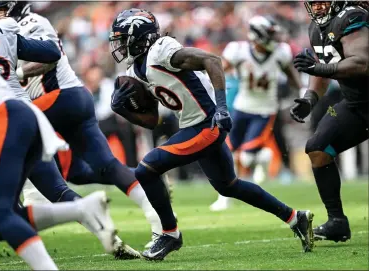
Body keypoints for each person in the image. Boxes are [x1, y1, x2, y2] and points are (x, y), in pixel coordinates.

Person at [109, 8, 314, 261]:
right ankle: (296, 218)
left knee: (146, 169)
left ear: (138, 36)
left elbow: (212, 61)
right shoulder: (135, 71)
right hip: (193, 126)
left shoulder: (161, 50)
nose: (118, 45)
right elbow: (151, 121)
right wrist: (123, 110)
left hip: (208, 123)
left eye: (121, 38)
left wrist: (222, 107)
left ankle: (169, 234)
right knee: (228, 186)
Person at [10, 1, 162, 251]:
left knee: (50, 183)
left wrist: (19, 73)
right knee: (102, 166)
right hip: (71, 99)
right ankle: (156, 218)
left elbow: (50, 56)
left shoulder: (29, 23)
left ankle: (35, 205)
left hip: (54, 98)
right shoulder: (12, 28)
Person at [0, 68, 117, 269]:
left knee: (2, 213)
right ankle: (80, 209)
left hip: (8, 120)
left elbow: (48, 51)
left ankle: (81, 208)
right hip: (26, 116)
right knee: (5, 214)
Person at [291, 0, 369, 242]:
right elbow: (323, 68)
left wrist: (317, 69)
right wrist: (310, 99)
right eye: (313, 3)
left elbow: (361, 63)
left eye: (323, 2)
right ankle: (337, 221)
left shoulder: (353, 17)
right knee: (318, 148)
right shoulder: (316, 29)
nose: (318, 8)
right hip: (355, 105)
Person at [210, 15, 303, 211]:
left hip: (265, 111)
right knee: (228, 152)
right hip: (241, 107)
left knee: (246, 158)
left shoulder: (281, 53)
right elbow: (218, 70)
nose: (275, 38)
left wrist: (303, 93)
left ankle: (263, 157)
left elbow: (292, 76)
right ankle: (224, 197)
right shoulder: (238, 50)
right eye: (270, 34)